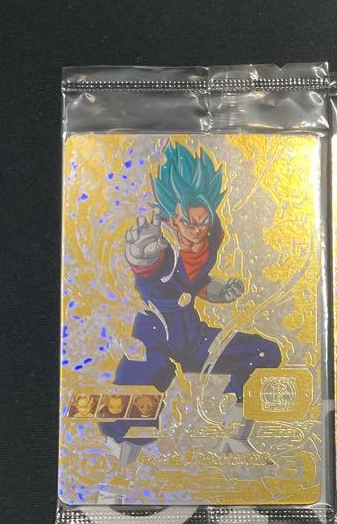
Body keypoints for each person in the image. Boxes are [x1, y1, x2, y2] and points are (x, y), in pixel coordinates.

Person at [102, 141, 281, 460]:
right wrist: (141, 256)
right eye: (188, 223)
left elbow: (197, 284)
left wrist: (221, 291)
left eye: (203, 222)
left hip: (193, 337)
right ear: (173, 221)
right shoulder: (162, 248)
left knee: (263, 351)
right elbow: (152, 270)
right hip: (156, 338)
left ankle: (234, 434)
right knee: (149, 378)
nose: (197, 231)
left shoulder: (208, 243)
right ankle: (121, 448)